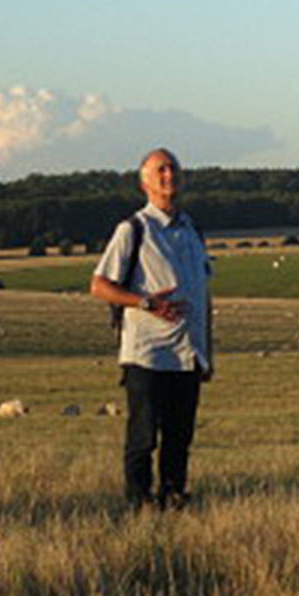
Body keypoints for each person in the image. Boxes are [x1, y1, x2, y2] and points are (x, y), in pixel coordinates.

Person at [90, 148, 214, 511]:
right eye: (160, 170)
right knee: (144, 437)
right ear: (144, 182)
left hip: (189, 353)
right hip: (147, 353)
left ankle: (174, 497)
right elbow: (99, 285)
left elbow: (203, 295)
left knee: (180, 437)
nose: (169, 175)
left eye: (174, 168)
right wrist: (145, 303)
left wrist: (209, 352)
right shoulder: (133, 230)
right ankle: (139, 502)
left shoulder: (193, 230)